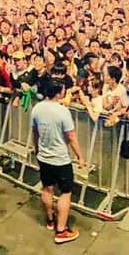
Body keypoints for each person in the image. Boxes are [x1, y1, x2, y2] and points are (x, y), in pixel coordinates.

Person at [31, 79, 86, 244]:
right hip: (60, 159)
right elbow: (71, 136)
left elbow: (35, 132)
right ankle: (61, 231)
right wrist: (80, 156)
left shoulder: (37, 108)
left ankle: (49, 220)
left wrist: (37, 149)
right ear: (58, 92)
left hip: (43, 157)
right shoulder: (63, 112)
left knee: (47, 188)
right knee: (65, 192)